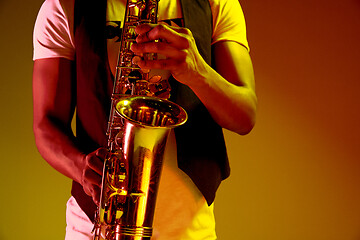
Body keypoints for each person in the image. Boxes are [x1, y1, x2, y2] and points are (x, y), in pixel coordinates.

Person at [32, 0, 257, 239]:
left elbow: (244, 116)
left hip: (191, 230)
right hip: (97, 227)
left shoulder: (216, 3)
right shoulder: (63, 5)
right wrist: (81, 166)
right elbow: (46, 124)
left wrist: (197, 71)